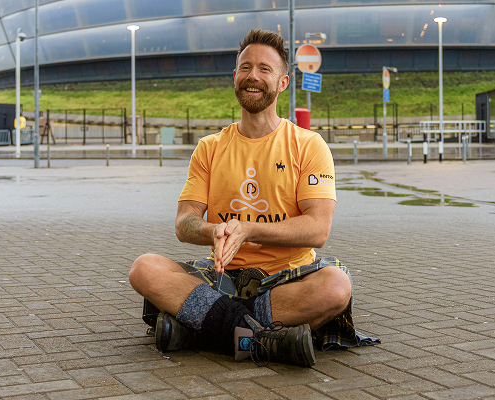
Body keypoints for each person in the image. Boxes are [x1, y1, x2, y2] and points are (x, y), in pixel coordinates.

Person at [129, 29, 378, 368]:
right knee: (144, 269)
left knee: (335, 286)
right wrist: (211, 232)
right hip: (221, 279)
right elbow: (183, 223)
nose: (253, 76)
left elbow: (317, 229)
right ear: (235, 77)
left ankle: (199, 329)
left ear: (282, 83)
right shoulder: (210, 148)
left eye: (265, 69)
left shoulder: (309, 146)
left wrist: (248, 230)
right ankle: (259, 341)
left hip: (287, 280)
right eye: (245, 67)